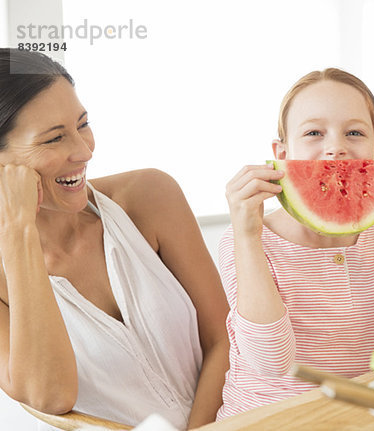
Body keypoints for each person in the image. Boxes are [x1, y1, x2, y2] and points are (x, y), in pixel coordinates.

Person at [0, 48, 229, 429]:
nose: (84, 150)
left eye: (82, 124)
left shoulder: (150, 196)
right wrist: (18, 233)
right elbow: (50, 396)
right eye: (54, 139)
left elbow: (224, 338)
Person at [218, 68, 374, 419]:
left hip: (349, 417)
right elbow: (271, 361)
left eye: (354, 132)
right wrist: (246, 237)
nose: (335, 148)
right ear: (281, 153)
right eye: (314, 132)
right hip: (264, 420)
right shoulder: (245, 240)